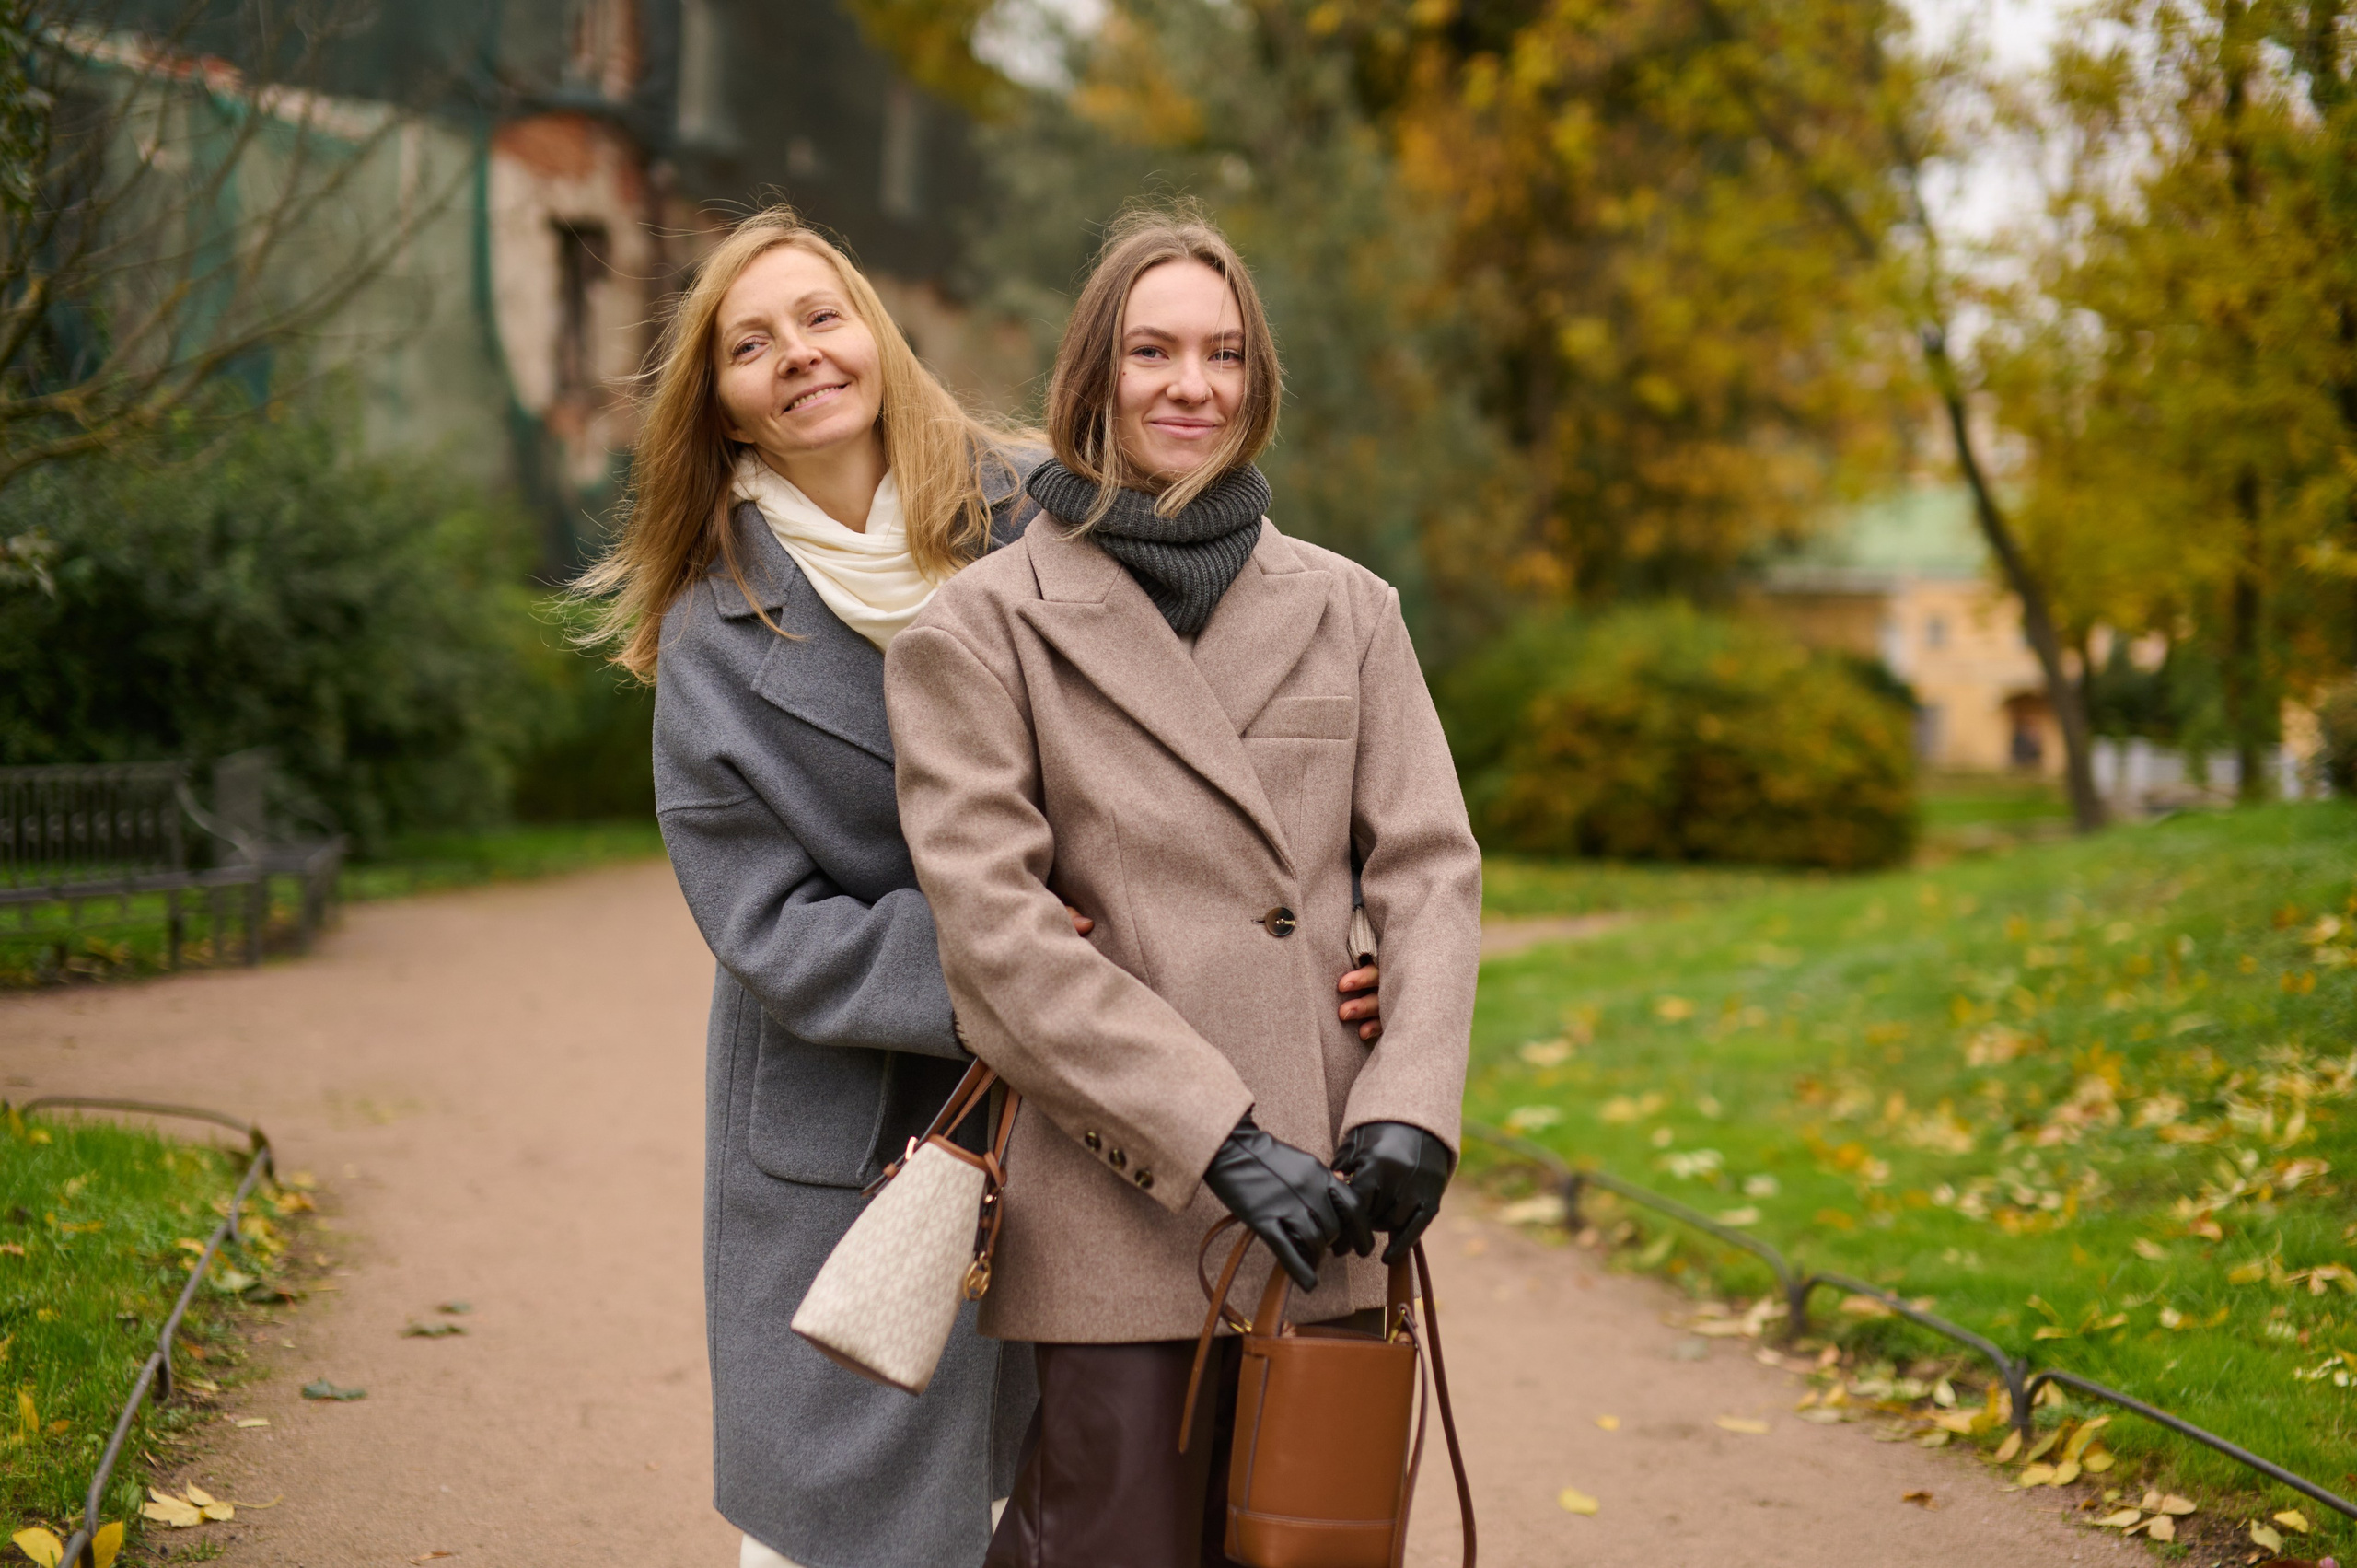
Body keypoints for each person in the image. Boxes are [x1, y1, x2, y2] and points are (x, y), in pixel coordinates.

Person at [577, 205, 1387, 1568]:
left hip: (1103, 1083)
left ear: (879, 336)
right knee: (841, 1512)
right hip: (864, 1101)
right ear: (716, 402)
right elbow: (761, 919)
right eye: (750, 345)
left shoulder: (1047, 506)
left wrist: (1340, 935)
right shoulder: (713, 629)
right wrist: (984, 954)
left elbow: (1246, 712)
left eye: (822, 317)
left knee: (1081, 1477)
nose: (799, 355)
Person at [884, 206, 1482, 1567]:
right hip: (1120, 1197)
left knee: (1307, 1545)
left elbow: (1430, 865)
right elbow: (999, 940)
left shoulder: (1352, 609)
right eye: (1151, 351)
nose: (1190, 386)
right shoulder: (981, 628)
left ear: (1257, 380)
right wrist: (1218, 1140)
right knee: (1116, 1546)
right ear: (1092, 377)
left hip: (1329, 1186)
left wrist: (1412, 1106)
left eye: (1223, 353)